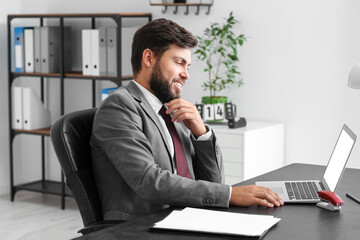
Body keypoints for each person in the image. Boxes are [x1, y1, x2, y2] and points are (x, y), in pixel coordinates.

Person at [90, 18, 283, 221]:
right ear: (149, 58)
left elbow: (214, 182)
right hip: (141, 226)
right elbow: (148, 181)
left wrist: (202, 134)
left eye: (188, 66)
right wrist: (230, 194)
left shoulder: (173, 109)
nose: (186, 75)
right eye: (179, 62)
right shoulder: (119, 107)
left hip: (184, 218)